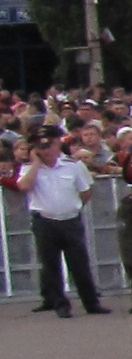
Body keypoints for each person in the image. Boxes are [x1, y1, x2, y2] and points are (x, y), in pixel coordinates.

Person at [10, 122, 102, 317]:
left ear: (58, 144)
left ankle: (91, 302)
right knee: (50, 265)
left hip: (70, 219)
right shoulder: (29, 168)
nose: (46, 150)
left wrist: (73, 206)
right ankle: (60, 304)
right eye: (41, 147)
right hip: (44, 221)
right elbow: (23, 187)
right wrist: (36, 163)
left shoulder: (73, 165)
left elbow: (86, 191)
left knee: (79, 264)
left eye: (49, 145)